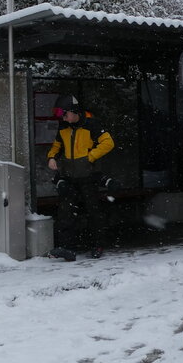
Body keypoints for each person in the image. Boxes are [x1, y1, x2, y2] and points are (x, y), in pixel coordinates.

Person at [47, 94, 115, 260]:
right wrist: (51, 157)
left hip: (88, 176)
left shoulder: (91, 124)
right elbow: (57, 145)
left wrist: (90, 157)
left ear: (74, 111)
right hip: (70, 177)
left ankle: (97, 245)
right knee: (66, 212)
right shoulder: (63, 127)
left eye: (65, 114)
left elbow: (108, 143)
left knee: (93, 212)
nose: (63, 118)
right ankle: (67, 248)